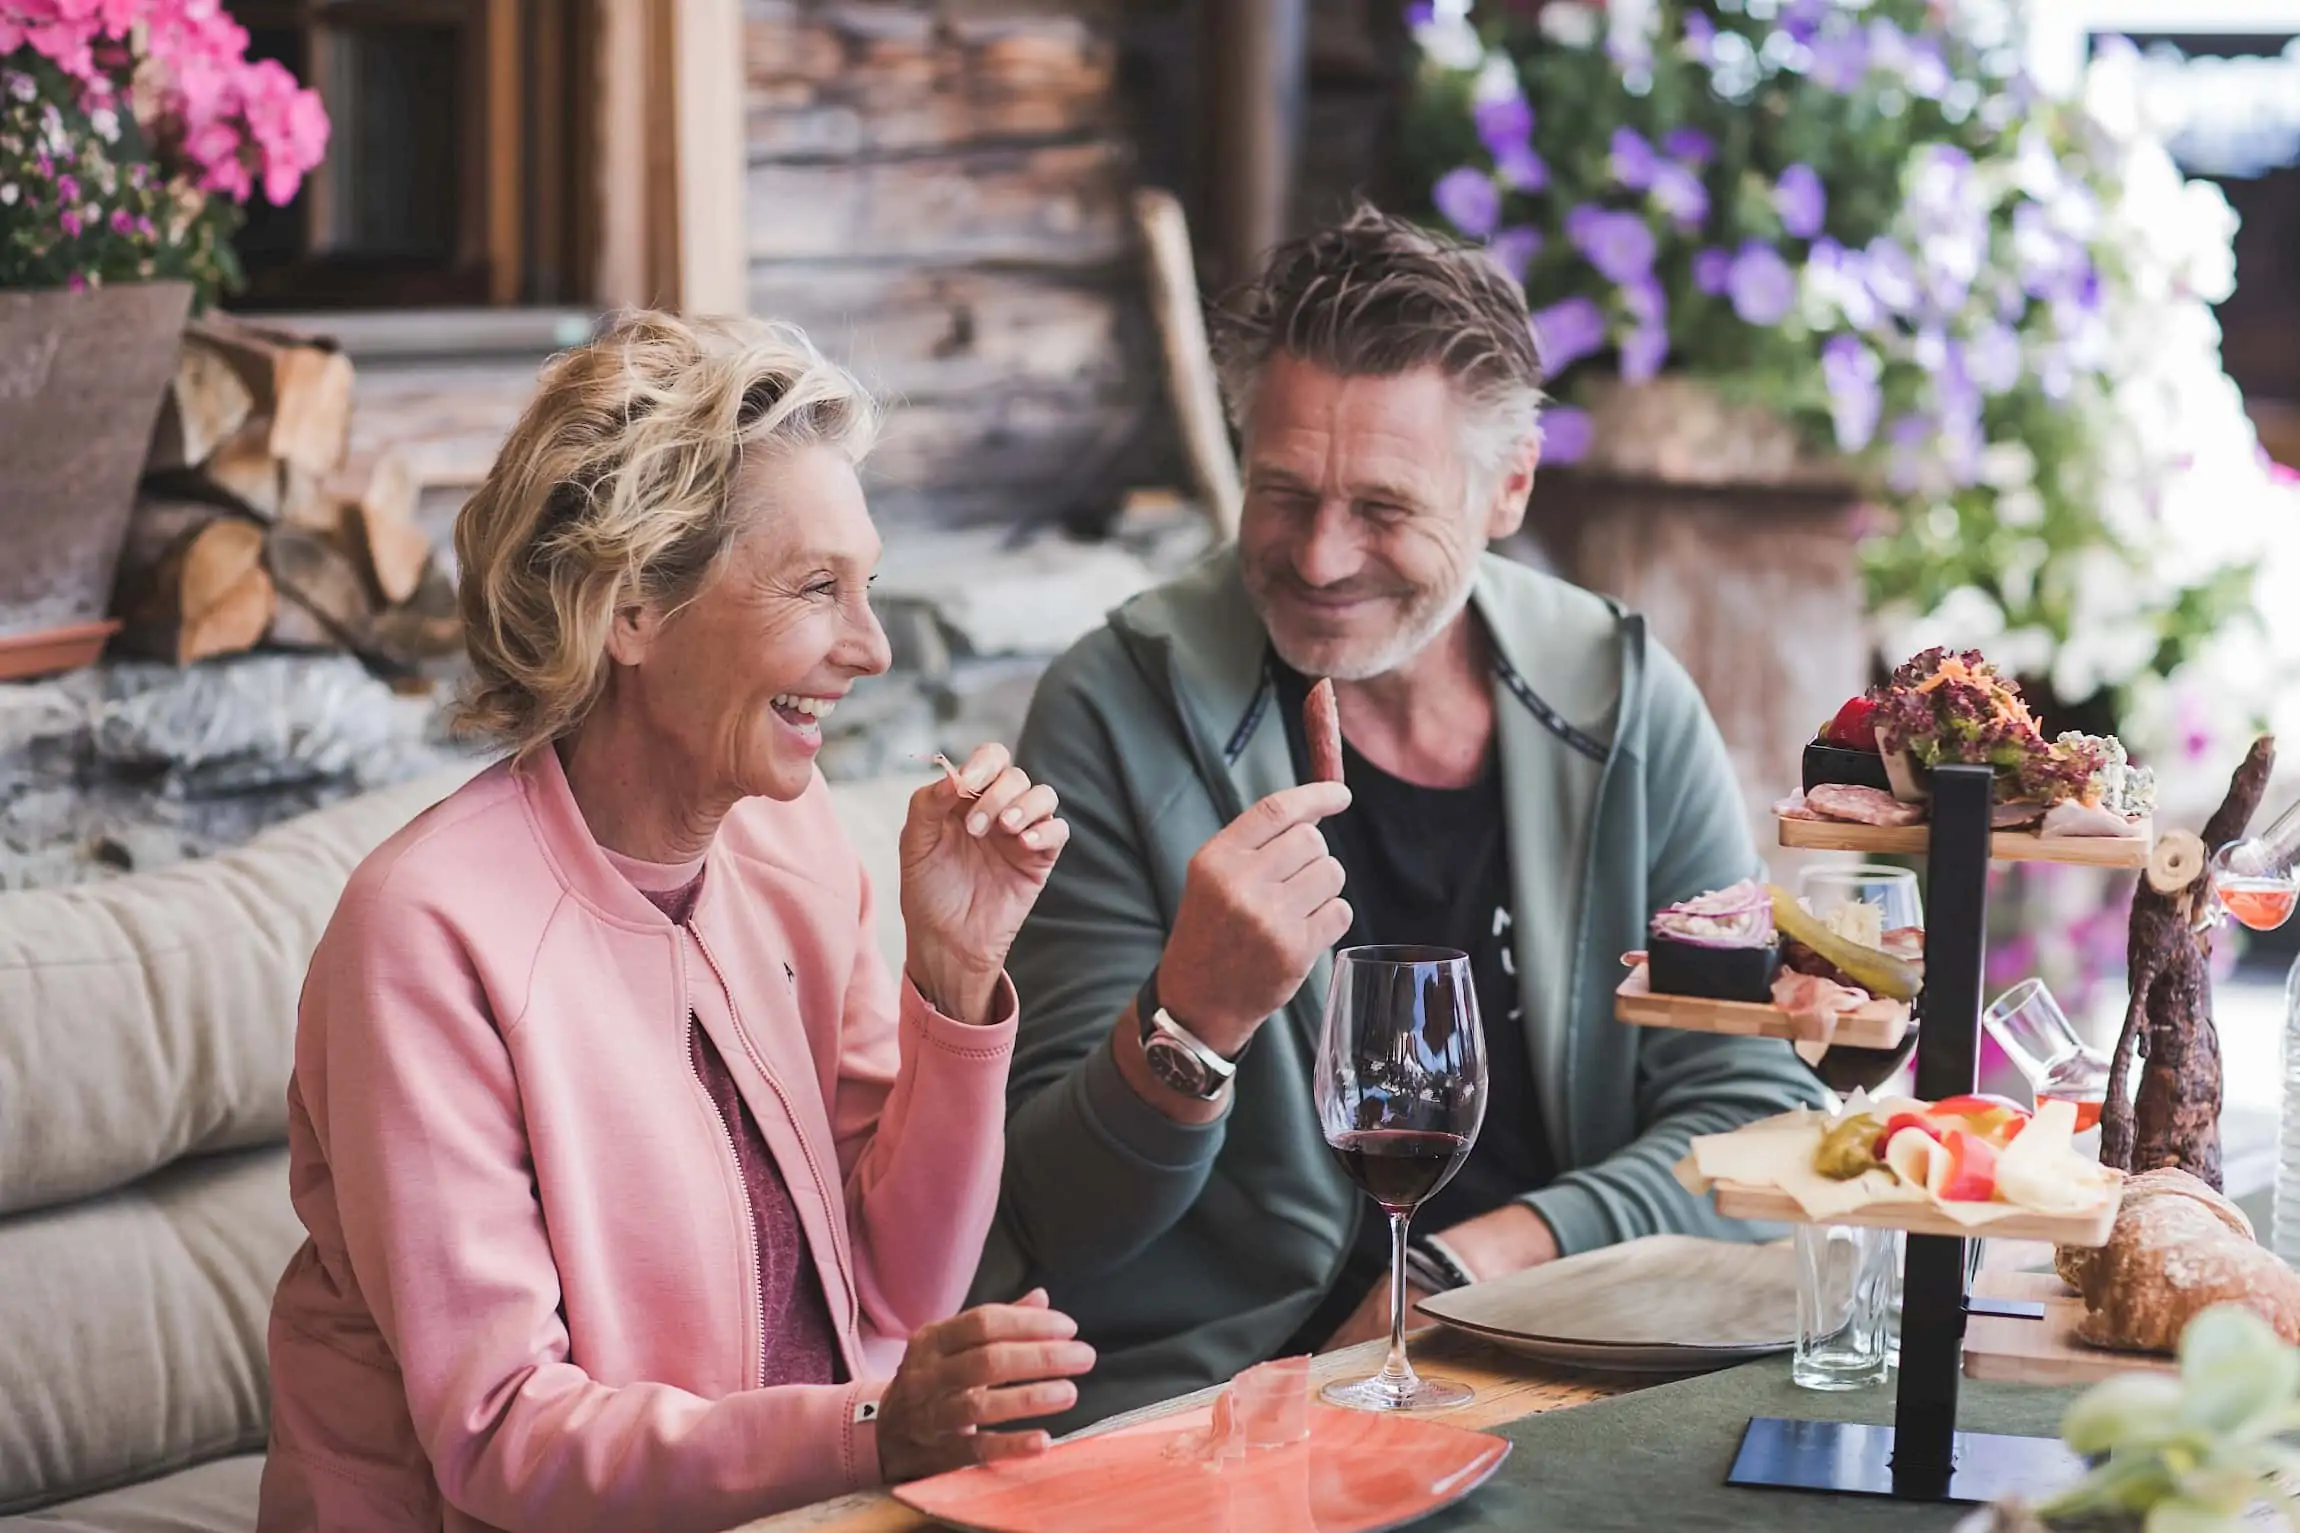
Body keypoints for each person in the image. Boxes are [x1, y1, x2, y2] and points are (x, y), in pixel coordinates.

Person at [972, 205, 1826, 1426]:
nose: (1319, 559)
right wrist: (1189, 1021)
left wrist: (1461, 1275)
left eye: (1380, 508)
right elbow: (1055, 1219)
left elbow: (1751, 1111)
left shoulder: (1621, 699)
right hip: (1224, 1407)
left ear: (1507, 489)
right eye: (1282, 492)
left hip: (1579, 1352)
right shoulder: (1117, 706)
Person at [259, 312, 1096, 1533]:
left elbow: (903, 1289)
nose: (867, 648)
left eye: (868, 587)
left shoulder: (792, 844)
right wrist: (870, 1431)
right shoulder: (423, 931)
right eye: (817, 588)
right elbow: (505, 1437)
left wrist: (957, 979)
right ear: (631, 609)